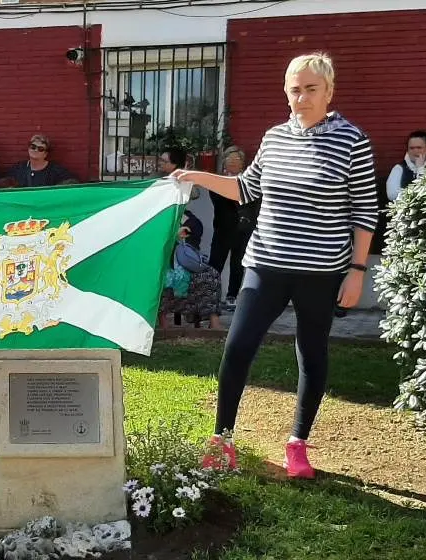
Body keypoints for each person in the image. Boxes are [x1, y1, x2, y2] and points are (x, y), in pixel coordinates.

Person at [172, 52, 379, 479]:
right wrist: (193, 176)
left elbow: (364, 210)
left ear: (329, 91)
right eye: (294, 89)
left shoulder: (352, 140)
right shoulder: (274, 137)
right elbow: (246, 188)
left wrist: (357, 271)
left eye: (310, 89)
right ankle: (221, 439)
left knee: (311, 352)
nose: (301, 97)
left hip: (321, 272)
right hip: (266, 264)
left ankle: (297, 444)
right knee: (238, 347)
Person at [208, 146, 260, 310]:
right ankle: (211, 297)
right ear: (224, 161)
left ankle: (232, 296)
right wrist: (228, 183)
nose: (233, 163)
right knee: (215, 265)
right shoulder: (218, 181)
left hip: (242, 230)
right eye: (230, 160)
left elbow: (252, 201)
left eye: (237, 160)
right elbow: (218, 199)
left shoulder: (248, 181)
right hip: (222, 230)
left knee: (238, 265)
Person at [159, 210, 221, 329]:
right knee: (160, 279)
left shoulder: (183, 214)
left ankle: (214, 321)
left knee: (211, 274)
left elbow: (194, 228)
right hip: (161, 263)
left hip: (181, 262)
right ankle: (163, 322)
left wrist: (180, 231)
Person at [0, 134, 76, 187]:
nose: (35, 150)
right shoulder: (18, 168)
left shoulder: (55, 171)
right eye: (33, 146)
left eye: (40, 149)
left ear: (45, 154)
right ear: (28, 148)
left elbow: (72, 183)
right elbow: (2, 184)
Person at [386, 130, 426, 202]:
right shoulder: (399, 168)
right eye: (411, 148)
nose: (415, 151)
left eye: (419, 148)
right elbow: (392, 195)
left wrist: (420, 168)